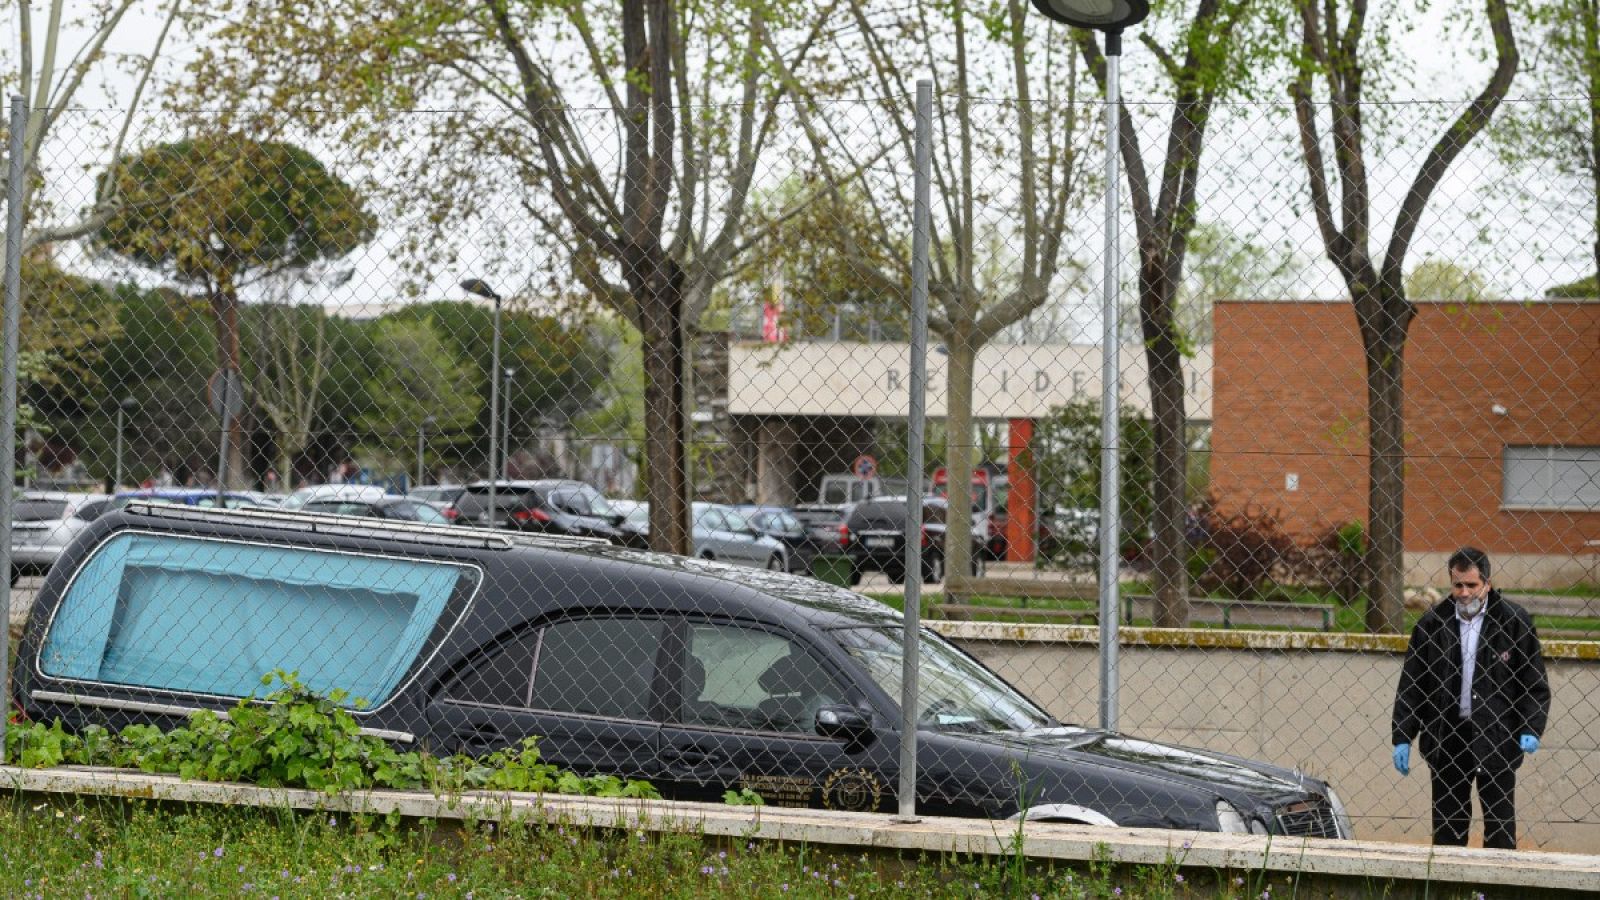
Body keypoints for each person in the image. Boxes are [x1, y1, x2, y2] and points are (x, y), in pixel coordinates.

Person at [1391, 547, 1550, 849]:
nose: (1464, 593)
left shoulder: (1513, 622)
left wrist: (1531, 726)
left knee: (1500, 829)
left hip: (1497, 736)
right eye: (1457, 585)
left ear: (1487, 583)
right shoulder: (1431, 625)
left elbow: (1533, 682)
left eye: (1471, 585)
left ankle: (1496, 889)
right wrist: (1402, 735)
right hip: (1446, 736)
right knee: (1448, 830)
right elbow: (1412, 685)